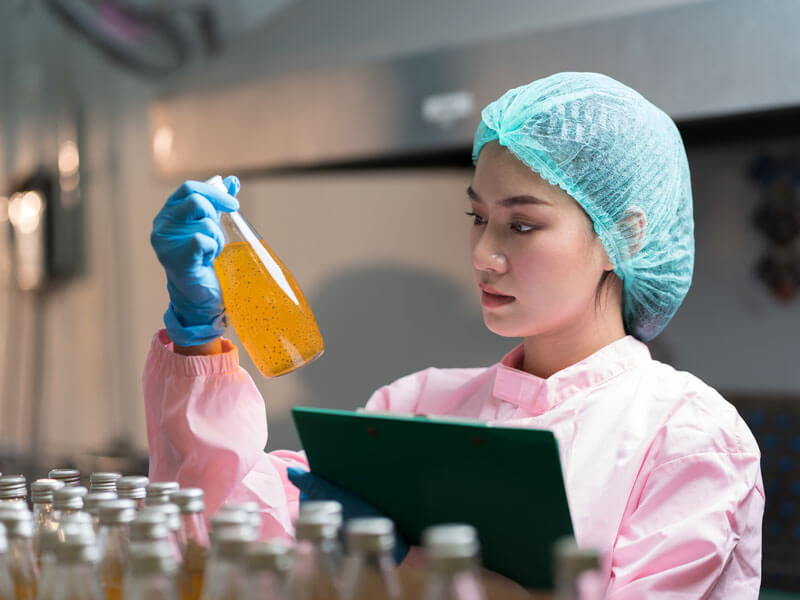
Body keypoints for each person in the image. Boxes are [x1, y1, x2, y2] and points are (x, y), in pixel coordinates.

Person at [145, 72, 763, 597]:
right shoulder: (418, 408)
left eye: (521, 225)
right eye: (478, 217)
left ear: (623, 237)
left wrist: (411, 565)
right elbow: (213, 533)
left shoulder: (689, 437)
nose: (484, 254)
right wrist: (197, 334)